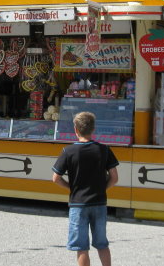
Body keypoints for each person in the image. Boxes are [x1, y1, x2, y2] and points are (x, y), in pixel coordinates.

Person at [52, 111, 119, 266]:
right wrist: (102, 188)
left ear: (76, 129)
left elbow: (55, 178)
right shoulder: (104, 149)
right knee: (102, 244)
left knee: (81, 247)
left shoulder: (68, 151)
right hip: (99, 202)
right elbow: (114, 177)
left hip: (78, 204)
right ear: (93, 129)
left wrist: (70, 187)